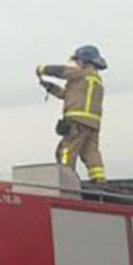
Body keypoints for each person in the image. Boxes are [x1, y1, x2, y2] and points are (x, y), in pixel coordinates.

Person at [37, 45, 108, 182]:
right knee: (91, 153)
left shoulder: (82, 73)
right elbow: (67, 95)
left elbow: (63, 71)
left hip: (77, 121)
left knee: (66, 150)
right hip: (93, 124)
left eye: (78, 61)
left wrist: (43, 69)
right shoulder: (96, 80)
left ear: (85, 61)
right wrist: (49, 87)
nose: (76, 63)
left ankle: (66, 181)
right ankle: (99, 181)